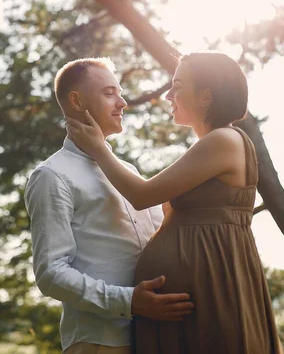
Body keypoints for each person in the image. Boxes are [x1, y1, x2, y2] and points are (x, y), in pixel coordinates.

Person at [66, 51, 282, 353]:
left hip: (212, 288)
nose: (168, 94)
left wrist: (99, 149)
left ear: (205, 97)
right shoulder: (210, 145)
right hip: (191, 295)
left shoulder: (224, 140)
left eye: (178, 86)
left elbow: (142, 195)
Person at [25, 58, 195, 354]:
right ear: (76, 101)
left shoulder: (128, 171)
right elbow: (50, 272)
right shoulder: (52, 175)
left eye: (120, 92)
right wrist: (128, 302)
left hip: (154, 337)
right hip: (100, 341)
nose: (123, 102)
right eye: (109, 93)